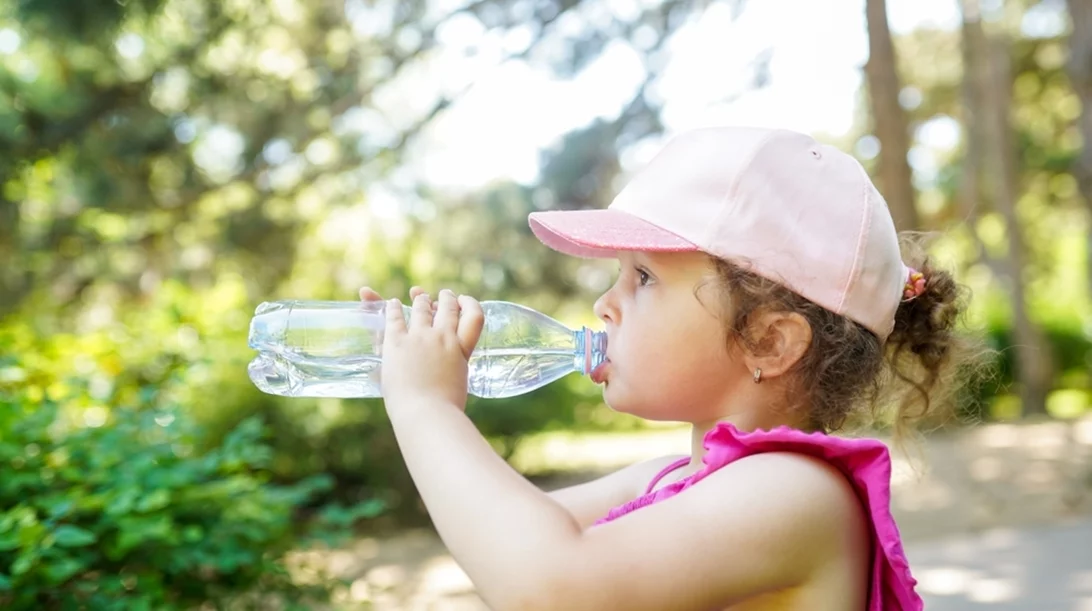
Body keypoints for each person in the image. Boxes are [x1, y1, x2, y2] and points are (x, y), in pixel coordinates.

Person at [358, 126, 973, 610]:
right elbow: (496, 538)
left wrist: (426, 407)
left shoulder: (795, 494)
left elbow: (546, 586)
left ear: (769, 342)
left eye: (643, 277)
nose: (604, 304)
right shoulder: (667, 478)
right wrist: (420, 373)